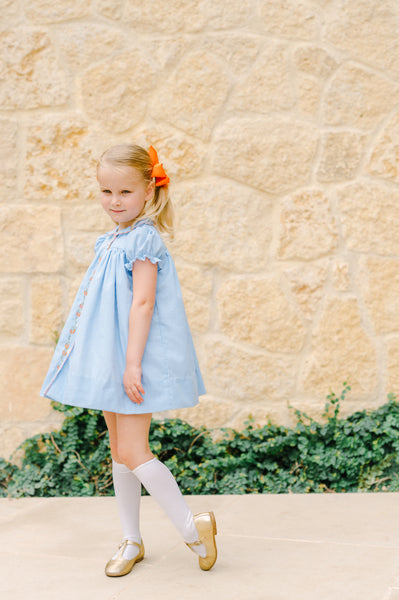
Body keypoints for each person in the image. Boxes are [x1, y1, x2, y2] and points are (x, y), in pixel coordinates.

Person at [40, 143, 217, 577]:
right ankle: (132, 540)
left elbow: (143, 303)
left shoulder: (143, 238)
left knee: (135, 451)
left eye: (124, 193)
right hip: (113, 360)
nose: (114, 202)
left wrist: (133, 365)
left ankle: (193, 528)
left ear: (148, 191)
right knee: (120, 452)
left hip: (133, 363)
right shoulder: (114, 238)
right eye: (106, 191)